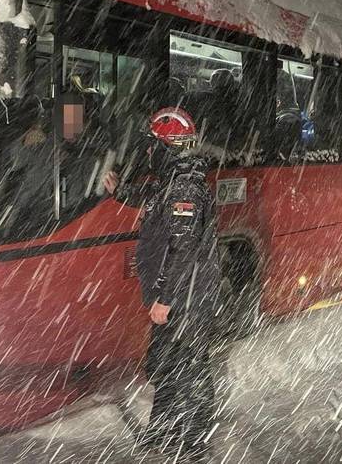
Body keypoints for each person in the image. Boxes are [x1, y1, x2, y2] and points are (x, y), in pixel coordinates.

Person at [103, 108, 221, 462]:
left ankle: (195, 444)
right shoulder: (174, 179)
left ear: (166, 148)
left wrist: (166, 299)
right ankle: (165, 432)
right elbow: (153, 202)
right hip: (180, 296)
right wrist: (120, 191)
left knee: (192, 369)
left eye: (154, 145)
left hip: (186, 299)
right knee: (167, 365)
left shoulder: (183, 186)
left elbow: (183, 249)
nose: (149, 152)